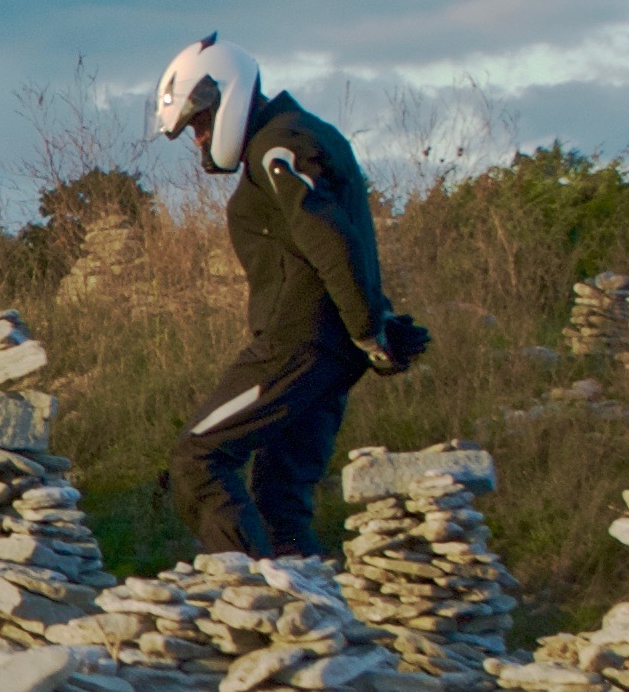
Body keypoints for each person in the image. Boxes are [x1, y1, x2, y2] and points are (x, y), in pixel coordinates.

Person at [152, 35, 431, 559]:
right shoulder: (302, 134)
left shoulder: (277, 146)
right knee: (280, 500)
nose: (199, 139)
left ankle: (250, 592)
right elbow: (340, 238)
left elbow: (328, 237)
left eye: (200, 123)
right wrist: (373, 322)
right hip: (328, 349)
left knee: (198, 458)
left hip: (297, 344)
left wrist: (369, 327)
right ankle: (308, 605)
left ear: (226, 94)